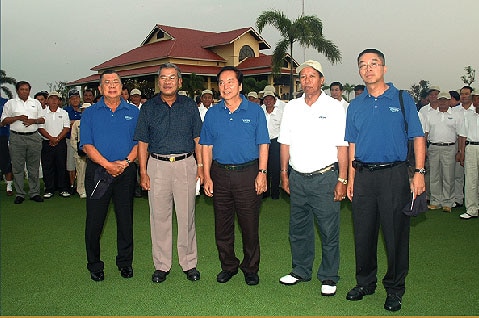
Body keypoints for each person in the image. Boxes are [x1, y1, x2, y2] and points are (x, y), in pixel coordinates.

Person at [345, 49, 426, 312]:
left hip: (394, 175)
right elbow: (352, 144)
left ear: (385, 68)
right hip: (364, 177)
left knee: (395, 235)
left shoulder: (402, 99)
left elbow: (417, 137)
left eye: (374, 63)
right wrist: (350, 178)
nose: (368, 68)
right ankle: (365, 283)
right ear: (359, 71)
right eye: (363, 65)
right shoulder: (355, 105)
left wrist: (419, 173)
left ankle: (394, 288)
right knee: (363, 233)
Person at [277, 60, 348, 297]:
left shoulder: (335, 107)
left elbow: (342, 146)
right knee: (298, 229)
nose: (306, 81)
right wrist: (284, 173)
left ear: (322, 80)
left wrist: (343, 180)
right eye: (303, 77)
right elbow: (284, 143)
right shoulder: (292, 107)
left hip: (325, 178)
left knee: (328, 231)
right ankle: (300, 270)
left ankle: (329, 276)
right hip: (297, 178)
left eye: (311, 76)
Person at [200, 66, 270, 286]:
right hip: (219, 174)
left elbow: (263, 144)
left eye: (230, 82)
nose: (225, 86)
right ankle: (228, 266)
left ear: (240, 86)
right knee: (222, 225)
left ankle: (250, 267)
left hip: (248, 174)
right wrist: (206, 176)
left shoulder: (255, 111)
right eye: (221, 82)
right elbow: (206, 147)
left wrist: (262, 173)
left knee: (249, 225)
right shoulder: (213, 113)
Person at [135, 63, 203, 284]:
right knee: (159, 218)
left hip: (185, 164)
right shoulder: (148, 108)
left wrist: (201, 167)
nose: (167, 81)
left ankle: (189, 263)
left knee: (186, 217)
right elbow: (142, 142)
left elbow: (198, 139)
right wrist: (143, 172)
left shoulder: (190, 106)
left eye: (172, 78)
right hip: (157, 166)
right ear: (158, 81)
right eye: (163, 78)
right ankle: (162, 265)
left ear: (179, 81)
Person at [80, 70, 139, 282]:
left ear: (122, 87)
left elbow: (139, 143)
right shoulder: (90, 113)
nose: (112, 86)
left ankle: (125, 262)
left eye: (116, 82)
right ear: (100, 88)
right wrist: (107, 164)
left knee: (125, 220)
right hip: (98, 173)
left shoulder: (133, 112)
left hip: (126, 171)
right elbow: (87, 145)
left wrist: (124, 163)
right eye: (107, 82)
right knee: (95, 221)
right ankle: (94, 264)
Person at [1, 81, 45, 204]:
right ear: (17, 91)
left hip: (33, 137)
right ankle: (20, 194)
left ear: (29, 91)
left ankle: (34, 192)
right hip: (16, 138)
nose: (24, 91)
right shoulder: (10, 104)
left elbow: (42, 119)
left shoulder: (35, 103)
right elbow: (3, 121)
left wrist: (33, 121)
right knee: (18, 167)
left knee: (33, 167)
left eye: (27, 89)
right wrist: (17, 118)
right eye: (22, 89)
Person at [424, 92, 462, 212]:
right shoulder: (431, 115)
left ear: (449, 101)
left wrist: (460, 151)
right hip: (434, 147)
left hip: (449, 148)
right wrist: (424, 148)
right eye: (441, 100)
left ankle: (448, 202)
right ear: (437, 101)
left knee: (448, 175)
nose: (443, 102)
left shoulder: (455, 115)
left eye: (445, 100)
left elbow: (461, 135)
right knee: (434, 175)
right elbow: (425, 133)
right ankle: (435, 201)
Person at [37, 91, 71, 198]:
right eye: (51, 98)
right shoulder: (42, 113)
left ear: (59, 101)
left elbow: (66, 128)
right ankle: (49, 189)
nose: (54, 101)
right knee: (48, 166)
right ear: (47, 100)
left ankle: (63, 188)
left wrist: (57, 139)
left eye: (56, 99)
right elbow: (40, 128)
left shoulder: (64, 113)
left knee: (61, 165)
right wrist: (51, 138)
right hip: (47, 143)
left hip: (60, 143)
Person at [458, 93, 479, 219]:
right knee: (471, 179)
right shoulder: (469, 115)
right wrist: (461, 152)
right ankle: (472, 209)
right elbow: (462, 135)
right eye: (475, 98)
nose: (477, 101)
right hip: (470, 147)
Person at [261, 91, 283, 199]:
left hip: (275, 142)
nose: (268, 101)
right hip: (263, 142)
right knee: (264, 166)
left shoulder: (280, 113)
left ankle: (275, 193)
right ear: (263, 100)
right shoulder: (260, 111)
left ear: (275, 101)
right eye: (266, 99)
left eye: (270, 99)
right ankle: (265, 191)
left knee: (275, 168)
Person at [70, 103, 91, 198]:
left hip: (93, 152)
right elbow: (73, 138)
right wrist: (79, 149)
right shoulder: (77, 123)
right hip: (80, 152)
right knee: (81, 171)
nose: (86, 112)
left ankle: (90, 189)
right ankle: (81, 190)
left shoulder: (95, 122)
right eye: (84, 110)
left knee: (91, 172)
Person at [64, 89, 83, 194]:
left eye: (76, 98)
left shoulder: (84, 109)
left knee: (82, 163)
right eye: (72, 98)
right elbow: (66, 124)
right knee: (71, 164)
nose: (75, 100)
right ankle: (72, 185)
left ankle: (82, 184)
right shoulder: (65, 110)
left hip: (82, 140)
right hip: (70, 140)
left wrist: (73, 122)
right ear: (69, 100)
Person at [0, 96, 13, 196]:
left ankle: (9, 185)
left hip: (3, 135)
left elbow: (9, 119)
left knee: (6, 161)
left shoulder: (6, 102)